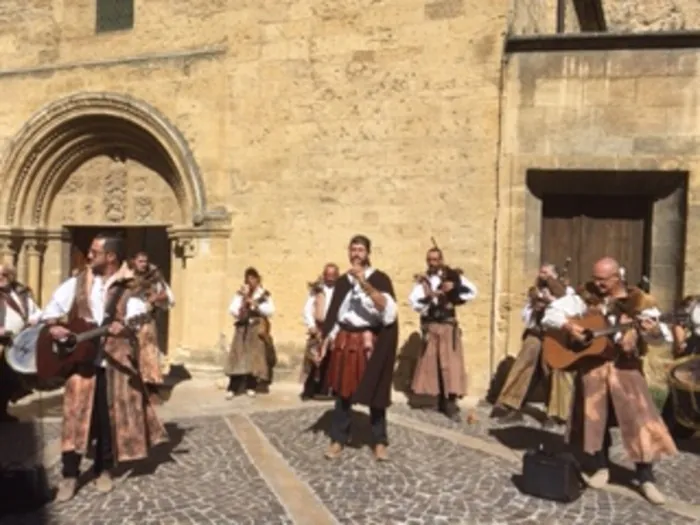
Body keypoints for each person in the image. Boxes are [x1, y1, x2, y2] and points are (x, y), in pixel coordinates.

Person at [42, 233, 168, 502]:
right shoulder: (76, 284)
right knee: (74, 418)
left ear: (110, 257)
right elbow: (50, 312)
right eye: (89, 250)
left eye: (94, 251)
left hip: (112, 365)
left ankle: (104, 470)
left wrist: (123, 330)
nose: (89, 255)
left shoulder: (128, 288)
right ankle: (69, 474)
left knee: (107, 420)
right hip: (80, 361)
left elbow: (137, 321)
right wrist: (55, 327)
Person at [541, 257, 677, 505]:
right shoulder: (585, 297)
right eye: (596, 278)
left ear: (617, 277)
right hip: (594, 368)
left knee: (639, 421)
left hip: (626, 368)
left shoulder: (640, 302)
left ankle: (645, 477)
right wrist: (571, 327)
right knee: (595, 420)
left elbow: (661, 338)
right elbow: (550, 315)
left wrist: (648, 331)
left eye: (603, 280)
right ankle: (601, 467)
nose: (598, 284)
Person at [320, 235, 398, 461]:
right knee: (343, 393)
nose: (356, 254)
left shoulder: (380, 279)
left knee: (376, 391)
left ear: (368, 253)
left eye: (360, 250)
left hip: (368, 342)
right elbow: (336, 313)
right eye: (353, 249)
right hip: (346, 340)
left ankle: (379, 441)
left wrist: (364, 283)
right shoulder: (344, 281)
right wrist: (326, 340)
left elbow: (388, 310)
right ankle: (338, 439)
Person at [492, 263, 574, 427]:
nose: (542, 275)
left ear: (554, 275)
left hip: (554, 336)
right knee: (522, 365)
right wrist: (536, 306)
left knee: (551, 371)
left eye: (546, 272)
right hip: (536, 333)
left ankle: (554, 413)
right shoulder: (535, 290)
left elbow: (569, 311)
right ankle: (511, 405)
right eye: (541, 272)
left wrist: (551, 302)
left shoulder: (567, 292)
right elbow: (525, 316)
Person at [408, 247, 477, 420]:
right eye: (430, 260)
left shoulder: (452, 276)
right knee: (432, 364)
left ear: (441, 259)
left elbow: (471, 292)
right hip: (432, 326)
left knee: (451, 365)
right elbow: (414, 302)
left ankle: (451, 403)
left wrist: (455, 286)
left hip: (447, 326)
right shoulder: (423, 281)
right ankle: (439, 400)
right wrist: (429, 299)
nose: (433, 263)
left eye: (436, 259)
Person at [130, 252, 175, 403]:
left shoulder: (154, 277)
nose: (143, 264)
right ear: (134, 262)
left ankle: (149, 386)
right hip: (128, 322)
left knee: (148, 353)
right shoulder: (126, 276)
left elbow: (168, 296)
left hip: (146, 320)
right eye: (140, 261)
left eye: (145, 261)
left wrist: (155, 297)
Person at [224, 267, 275, 398]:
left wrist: (255, 305)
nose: (250, 282)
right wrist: (242, 306)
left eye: (253, 279)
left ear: (258, 279)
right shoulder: (240, 293)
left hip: (256, 327)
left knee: (254, 358)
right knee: (238, 356)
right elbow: (232, 309)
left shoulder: (264, 294)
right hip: (242, 328)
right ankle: (233, 387)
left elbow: (270, 311)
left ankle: (251, 386)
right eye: (248, 279)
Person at [0, 263, 42, 422]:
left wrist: (33, 319)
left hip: (16, 344)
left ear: (11, 276)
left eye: (4, 275)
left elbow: (36, 311)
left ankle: (2, 412)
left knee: (8, 379)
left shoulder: (21, 293)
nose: (0, 278)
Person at [301, 263, 339, 400]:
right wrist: (311, 325)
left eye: (333, 275)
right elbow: (307, 309)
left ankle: (328, 390)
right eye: (328, 275)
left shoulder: (340, 291)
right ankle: (309, 390)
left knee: (332, 360)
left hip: (334, 327)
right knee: (313, 359)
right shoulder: (317, 290)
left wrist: (335, 331)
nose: (330, 278)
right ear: (324, 275)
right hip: (318, 327)